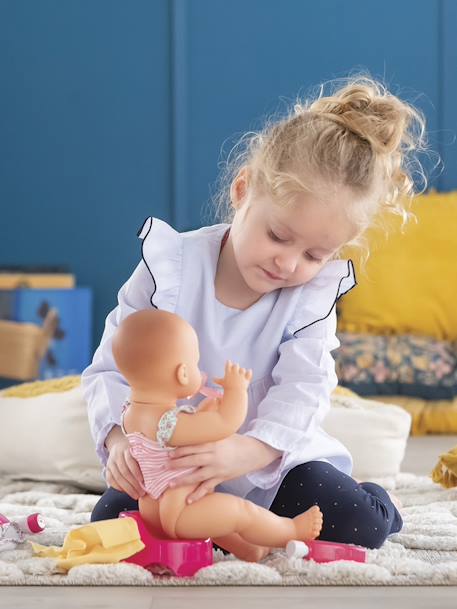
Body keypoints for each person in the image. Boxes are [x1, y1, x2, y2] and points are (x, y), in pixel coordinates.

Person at [82, 74, 427, 550]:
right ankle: (226, 531)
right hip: (173, 469)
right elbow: (112, 365)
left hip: (271, 465)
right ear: (243, 192)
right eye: (279, 236)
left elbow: (305, 387)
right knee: (112, 528)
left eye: (314, 255)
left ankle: (381, 501)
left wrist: (248, 449)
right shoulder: (170, 269)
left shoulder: (309, 299)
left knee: (356, 525)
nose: (288, 263)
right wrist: (119, 438)